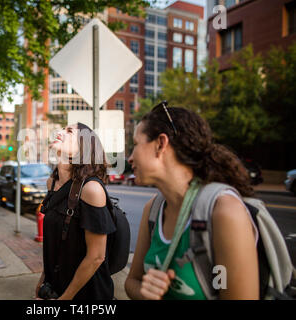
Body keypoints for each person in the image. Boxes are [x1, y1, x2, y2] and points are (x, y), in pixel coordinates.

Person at [125, 102, 260, 300]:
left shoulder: (223, 212)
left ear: (161, 144)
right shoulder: (153, 210)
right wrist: (145, 293)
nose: (129, 158)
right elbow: (132, 282)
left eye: (135, 144)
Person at [35, 122, 116, 300]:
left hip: (88, 294)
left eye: (69, 131)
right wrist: (43, 281)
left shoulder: (91, 189)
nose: (61, 132)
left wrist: (65, 298)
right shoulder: (52, 183)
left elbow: (96, 257)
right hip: (55, 286)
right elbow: (56, 243)